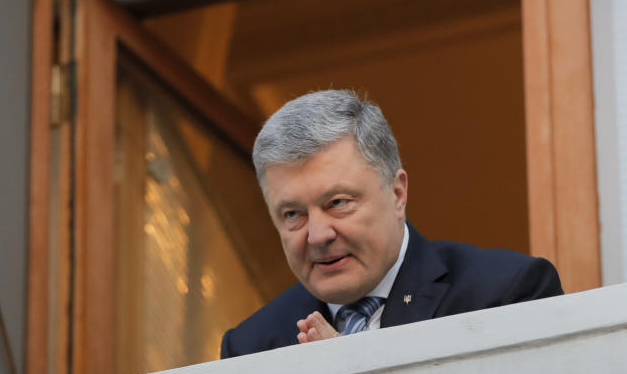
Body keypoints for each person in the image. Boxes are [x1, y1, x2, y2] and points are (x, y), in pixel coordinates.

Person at [221, 90, 563, 358]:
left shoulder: (503, 295)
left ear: (397, 193)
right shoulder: (251, 345)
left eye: (338, 203)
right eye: (293, 214)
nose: (318, 235)